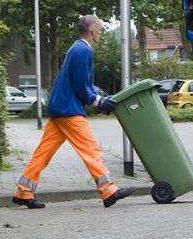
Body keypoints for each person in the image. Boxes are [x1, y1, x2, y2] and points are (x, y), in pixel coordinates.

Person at [12, 14, 137, 209]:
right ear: (93, 30)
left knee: (43, 153)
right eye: (100, 30)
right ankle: (108, 190)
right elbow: (80, 85)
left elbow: (82, 82)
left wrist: (98, 94)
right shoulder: (83, 51)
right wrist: (97, 102)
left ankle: (23, 191)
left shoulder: (75, 48)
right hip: (69, 110)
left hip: (60, 107)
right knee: (90, 148)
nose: (101, 33)